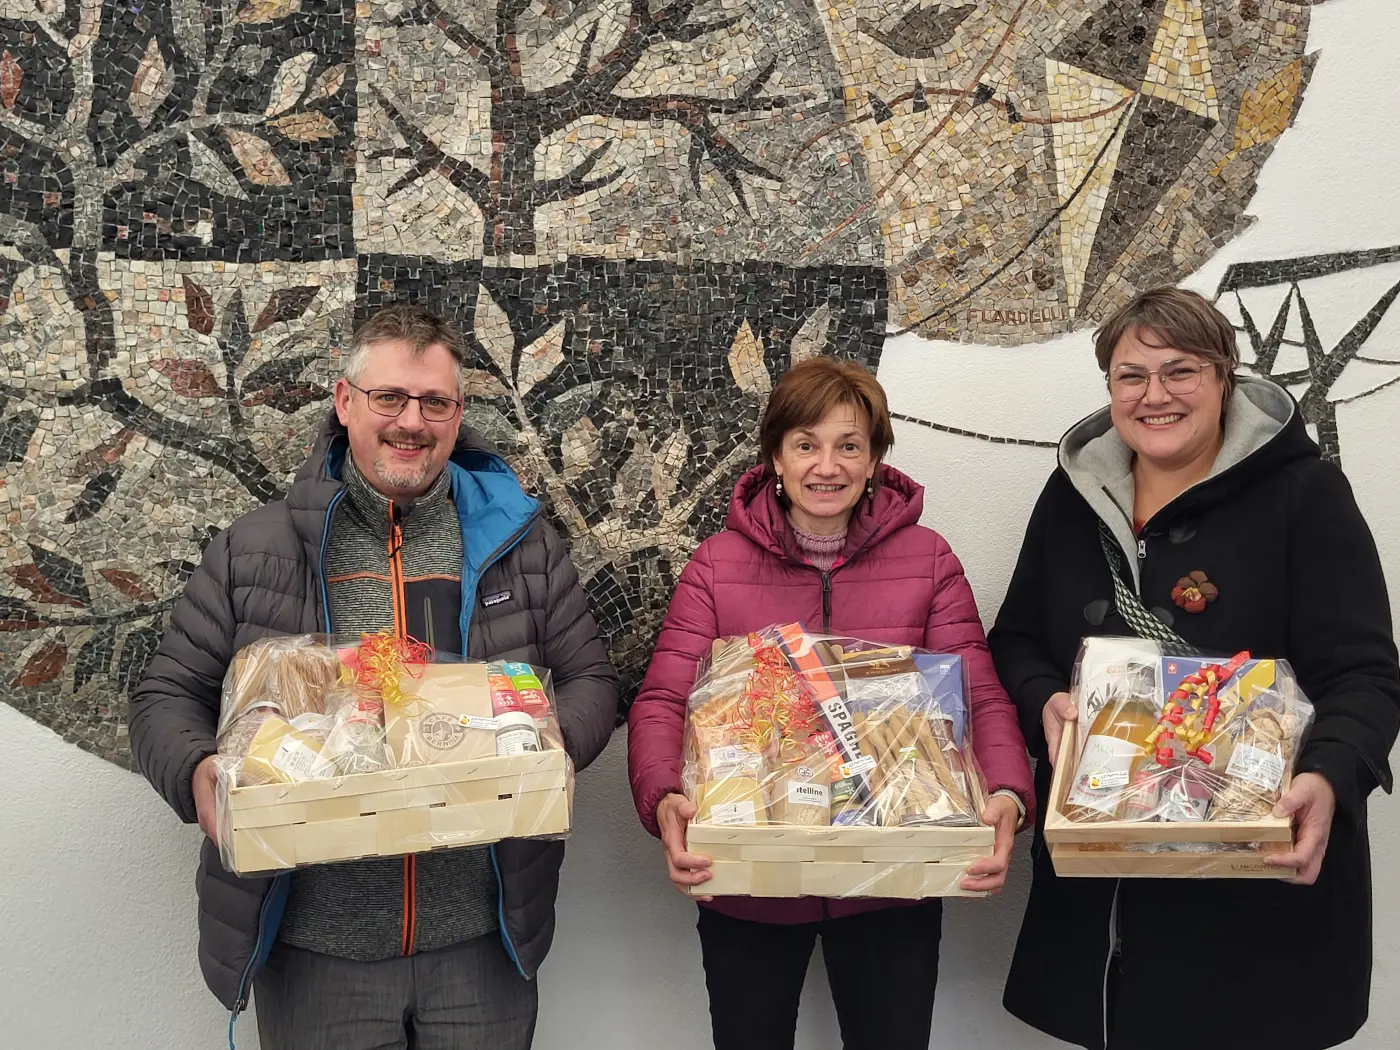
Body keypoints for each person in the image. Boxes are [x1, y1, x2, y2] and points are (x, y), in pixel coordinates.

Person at [127, 304, 618, 1050]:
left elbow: (589, 681)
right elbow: (165, 694)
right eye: (389, 397)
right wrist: (199, 777)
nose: (410, 422)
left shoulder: (523, 546)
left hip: (481, 942)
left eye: (435, 402)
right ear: (344, 401)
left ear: (458, 415)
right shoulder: (254, 548)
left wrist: (543, 747)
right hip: (317, 947)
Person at [989, 287, 1400, 1050]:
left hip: (1255, 872)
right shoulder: (1073, 496)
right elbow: (1015, 639)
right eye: (1130, 375)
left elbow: (1366, 675)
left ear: (1224, 377)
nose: (1155, 395)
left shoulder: (1305, 495)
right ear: (1109, 386)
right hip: (1106, 876)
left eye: (1180, 371)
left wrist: (1331, 773)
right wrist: (1043, 697)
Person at [627, 356, 1034, 1050]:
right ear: (775, 457)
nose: (828, 465)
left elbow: (979, 692)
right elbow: (665, 698)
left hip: (894, 877)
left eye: (850, 445)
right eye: (806, 444)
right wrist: (664, 798)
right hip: (750, 876)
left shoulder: (929, 559)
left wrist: (1007, 793)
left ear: (876, 459)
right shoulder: (716, 565)